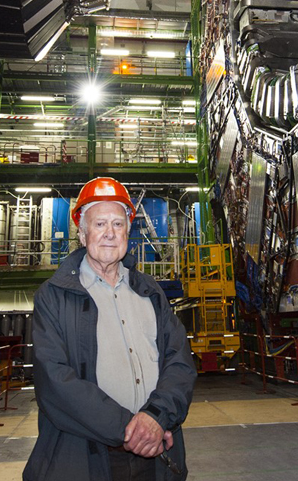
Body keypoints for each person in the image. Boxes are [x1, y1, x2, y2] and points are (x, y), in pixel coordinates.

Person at [24, 177, 195, 481]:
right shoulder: (53, 296)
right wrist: (132, 430)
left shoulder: (150, 292)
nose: (109, 234)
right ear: (82, 232)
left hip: (154, 460)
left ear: (129, 231)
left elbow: (180, 361)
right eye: (99, 224)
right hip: (85, 458)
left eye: (118, 224)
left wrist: (156, 417)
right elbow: (55, 381)